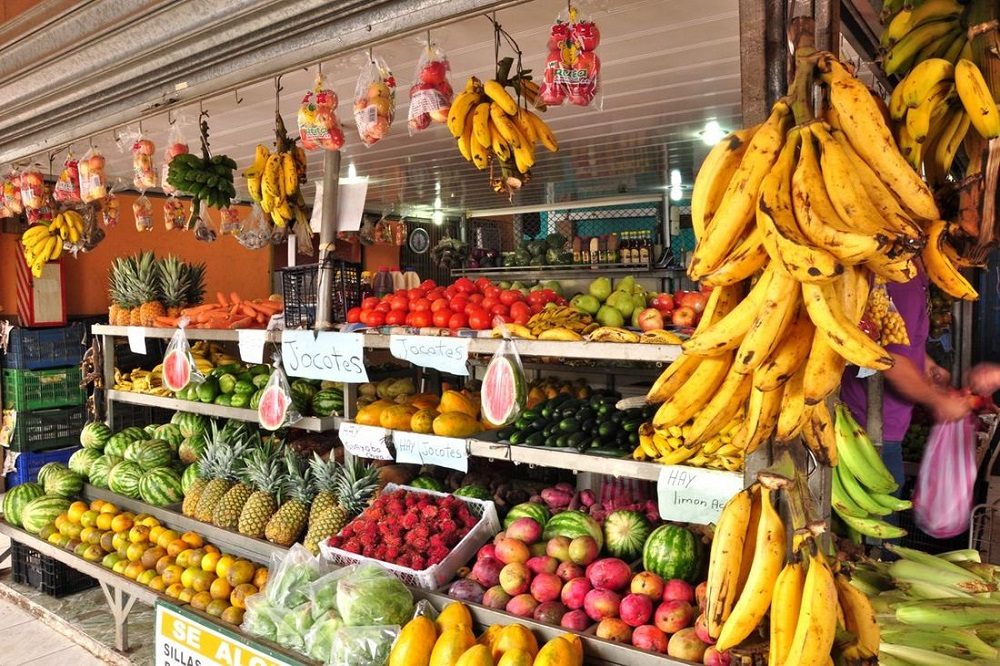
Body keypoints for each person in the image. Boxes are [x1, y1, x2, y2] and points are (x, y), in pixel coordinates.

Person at [840, 262, 972, 494]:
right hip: (868, 430)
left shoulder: (915, 275)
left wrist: (926, 364)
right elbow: (890, 360)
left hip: (888, 425)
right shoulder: (901, 278)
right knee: (879, 520)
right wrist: (939, 401)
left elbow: (900, 340)